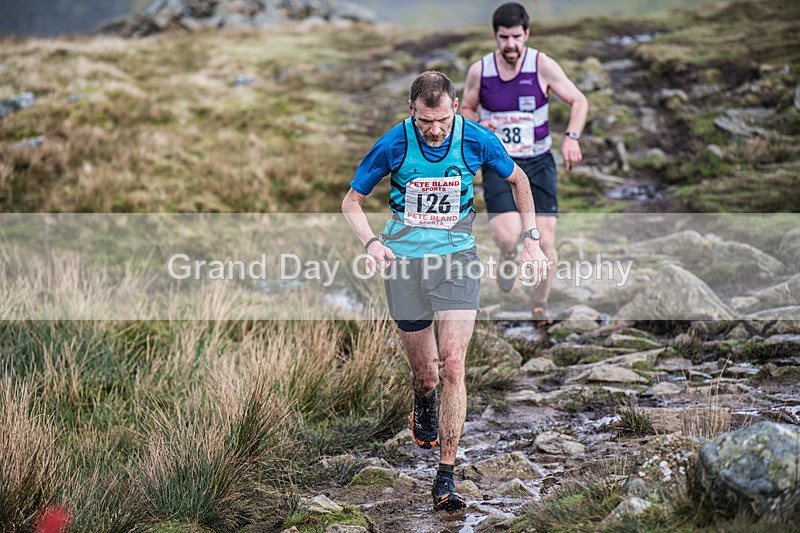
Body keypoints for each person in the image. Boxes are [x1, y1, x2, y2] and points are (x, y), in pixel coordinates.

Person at [342, 71, 547, 512]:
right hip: (404, 267)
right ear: (412, 112)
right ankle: (423, 400)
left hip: (457, 262)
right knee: (427, 373)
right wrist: (372, 242)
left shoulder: (475, 138)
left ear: (455, 107)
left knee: (453, 364)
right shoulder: (394, 143)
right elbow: (351, 201)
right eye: (424, 121)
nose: (434, 130)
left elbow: (520, 181)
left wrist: (530, 237)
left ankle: (446, 476)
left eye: (441, 120)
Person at [461, 2, 588, 323]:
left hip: (538, 163)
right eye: (504, 37)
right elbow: (466, 109)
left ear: (526, 34)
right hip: (500, 165)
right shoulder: (481, 70)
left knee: (545, 242)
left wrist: (571, 136)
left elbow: (579, 100)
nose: (511, 44)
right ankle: (508, 254)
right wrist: (477, 124)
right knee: (507, 235)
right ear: (496, 36)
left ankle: (539, 304)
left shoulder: (541, 65)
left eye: (517, 36)